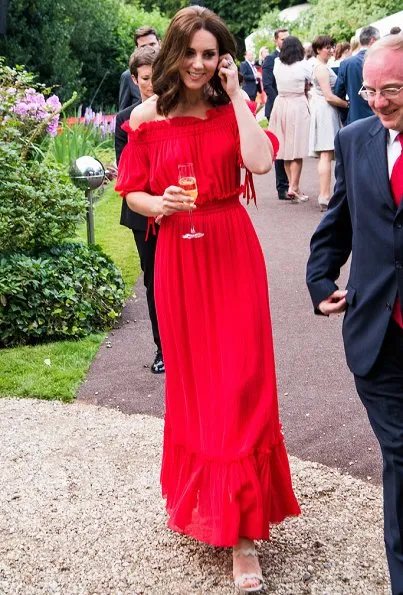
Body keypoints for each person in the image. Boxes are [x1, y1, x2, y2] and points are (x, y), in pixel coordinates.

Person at [115, 5, 300, 592]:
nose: (199, 64)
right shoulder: (146, 118)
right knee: (198, 382)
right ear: (173, 53)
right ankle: (211, 508)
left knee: (242, 380)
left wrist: (240, 94)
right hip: (178, 256)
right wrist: (160, 204)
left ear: (223, 57)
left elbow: (262, 162)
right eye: (190, 53)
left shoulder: (233, 110)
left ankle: (244, 534)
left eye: (210, 53)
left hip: (231, 250)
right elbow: (132, 191)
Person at [306, 33, 403, 595]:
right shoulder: (353, 138)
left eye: (391, 90)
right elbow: (339, 222)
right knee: (401, 455)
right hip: (378, 334)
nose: (379, 102)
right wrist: (320, 280)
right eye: (370, 89)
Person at [115, 46, 164, 374]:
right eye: (146, 79)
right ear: (134, 80)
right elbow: (125, 170)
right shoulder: (125, 119)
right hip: (142, 213)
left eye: (157, 76)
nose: (152, 84)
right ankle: (163, 347)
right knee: (154, 280)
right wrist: (154, 202)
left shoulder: (176, 111)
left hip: (179, 209)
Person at [269, 36, 311, 202]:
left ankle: (294, 187)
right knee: (297, 150)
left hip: (281, 104)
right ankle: (293, 186)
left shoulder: (277, 64)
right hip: (297, 104)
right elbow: (313, 79)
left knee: (285, 149)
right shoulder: (303, 65)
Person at [308, 35, 348, 211]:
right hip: (325, 110)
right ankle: (324, 195)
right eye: (328, 47)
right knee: (326, 153)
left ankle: (325, 195)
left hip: (322, 109)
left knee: (327, 153)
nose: (331, 50)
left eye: (332, 47)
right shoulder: (321, 68)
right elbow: (329, 96)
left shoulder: (319, 66)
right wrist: (349, 103)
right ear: (318, 49)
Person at [262, 27, 290, 200]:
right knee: (279, 148)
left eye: (288, 39)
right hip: (275, 108)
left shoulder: (292, 58)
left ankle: (293, 184)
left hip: (291, 107)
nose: (285, 42)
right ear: (276, 41)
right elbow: (267, 85)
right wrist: (280, 103)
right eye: (282, 39)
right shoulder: (271, 59)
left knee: (291, 146)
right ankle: (282, 187)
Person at [334, 25, 380, 124]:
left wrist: (347, 114)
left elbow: (338, 93)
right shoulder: (381, 60)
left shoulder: (346, 63)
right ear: (373, 41)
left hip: (355, 119)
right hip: (380, 117)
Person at [118, 26, 161, 111]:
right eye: (143, 46)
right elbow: (123, 112)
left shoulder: (172, 71)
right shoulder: (127, 76)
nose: (149, 48)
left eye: (152, 44)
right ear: (136, 49)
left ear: (160, 44)